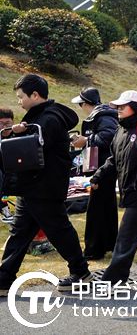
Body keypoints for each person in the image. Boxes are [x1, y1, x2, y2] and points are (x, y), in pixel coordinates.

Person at [0, 74, 89, 295]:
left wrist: (14, 136)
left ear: (35, 95)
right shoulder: (41, 117)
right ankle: (4, 278)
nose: (19, 101)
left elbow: (30, 153)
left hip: (45, 188)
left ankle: (80, 272)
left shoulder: (48, 119)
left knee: (58, 230)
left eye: (21, 97)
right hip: (33, 187)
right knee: (20, 232)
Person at [90, 90, 137, 285]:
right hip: (128, 190)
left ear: (136, 108)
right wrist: (98, 175)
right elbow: (114, 159)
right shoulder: (120, 130)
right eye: (118, 106)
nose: (118, 109)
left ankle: (113, 278)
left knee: (125, 237)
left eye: (123, 106)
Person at [70, 87, 119, 260]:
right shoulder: (103, 115)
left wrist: (86, 140)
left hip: (103, 167)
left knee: (97, 210)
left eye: (80, 104)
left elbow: (109, 137)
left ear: (85, 104)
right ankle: (108, 243)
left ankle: (94, 249)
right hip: (103, 166)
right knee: (105, 206)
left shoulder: (103, 116)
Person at [0, 108, 14, 223]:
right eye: (1, 124)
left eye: (7, 123)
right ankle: (4, 208)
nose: (4, 127)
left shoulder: (19, 136)